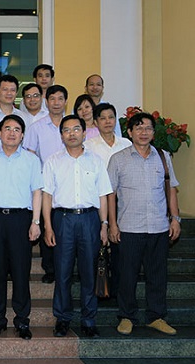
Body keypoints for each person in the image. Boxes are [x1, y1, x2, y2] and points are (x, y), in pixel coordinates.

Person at [108, 112, 181, 336]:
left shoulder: (163, 157)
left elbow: (171, 189)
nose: (144, 132)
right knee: (127, 275)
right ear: (129, 132)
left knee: (157, 274)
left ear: (153, 132)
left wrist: (175, 219)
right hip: (129, 226)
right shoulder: (118, 159)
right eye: (138, 128)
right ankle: (126, 316)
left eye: (148, 128)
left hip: (159, 226)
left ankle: (156, 316)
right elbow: (109, 194)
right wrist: (111, 223)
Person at [42, 115, 112, 338]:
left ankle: (88, 320)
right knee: (62, 272)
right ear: (61, 135)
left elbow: (103, 195)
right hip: (63, 220)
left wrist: (104, 224)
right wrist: (48, 226)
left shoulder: (96, 161)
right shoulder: (53, 161)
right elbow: (46, 195)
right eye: (66, 130)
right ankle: (62, 319)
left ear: (84, 133)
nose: (71, 133)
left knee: (89, 273)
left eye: (76, 129)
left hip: (90, 220)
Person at [0, 114, 42, 340]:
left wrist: (36, 222)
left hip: (21, 219)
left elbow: (37, 192)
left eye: (17, 129)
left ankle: (22, 320)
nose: (12, 133)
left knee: (20, 271)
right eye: (7, 128)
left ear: (23, 135)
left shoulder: (31, 160)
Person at [84, 103, 132, 299]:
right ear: (95, 122)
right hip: (97, 203)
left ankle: (119, 290)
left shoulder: (127, 144)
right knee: (98, 247)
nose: (107, 121)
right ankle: (99, 289)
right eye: (102, 118)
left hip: (124, 202)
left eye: (111, 117)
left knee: (121, 248)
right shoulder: (89, 146)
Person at [23, 85, 69, 284]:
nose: (56, 103)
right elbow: (30, 157)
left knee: (65, 226)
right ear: (46, 101)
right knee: (47, 224)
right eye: (52, 99)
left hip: (70, 183)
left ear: (66, 101)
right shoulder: (37, 127)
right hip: (45, 186)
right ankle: (50, 268)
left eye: (60, 99)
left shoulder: (73, 125)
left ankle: (67, 267)